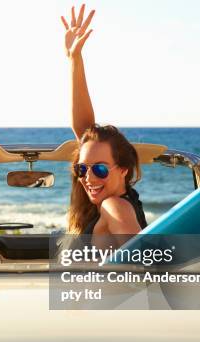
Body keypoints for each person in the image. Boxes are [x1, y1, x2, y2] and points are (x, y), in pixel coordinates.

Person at [62, 5, 147, 237]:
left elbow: (143, 259)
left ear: (123, 170)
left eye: (99, 169)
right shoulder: (109, 204)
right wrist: (74, 59)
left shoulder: (115, 206)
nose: (88, 178)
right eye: (81, 169)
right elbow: (84, 130)